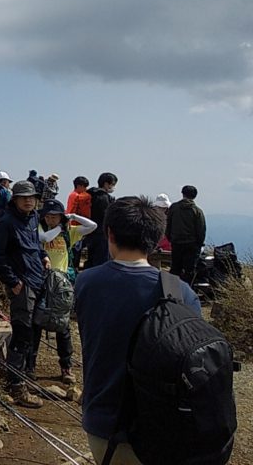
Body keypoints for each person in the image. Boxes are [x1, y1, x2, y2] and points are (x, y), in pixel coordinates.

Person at [74, 195, 200, 464]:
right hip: (165, 425)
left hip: (105, 419)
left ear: (109, 233)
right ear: (156, 240)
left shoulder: (87, 282)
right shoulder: (181, 292)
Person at [0, 180, 50, 408]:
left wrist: (43, 256)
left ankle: (25, 375)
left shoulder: (33, 218)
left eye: (31, 197)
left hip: (36, 278)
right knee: (22, 332)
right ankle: (16, 385)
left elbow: (34, 244)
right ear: (14, 199)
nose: (28, 201)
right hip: (22, 284)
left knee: (34, 329)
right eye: (23, 197)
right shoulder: (6, 222)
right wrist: (13, 281)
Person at [34, 199, 98, 384]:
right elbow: (44, 239)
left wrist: (73, 216)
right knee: (35, 323)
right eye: (48, 216)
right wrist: (61, 226)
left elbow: (92, 226)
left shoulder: (69, 233)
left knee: (63, 326)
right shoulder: (39, 230)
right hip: (41, 282)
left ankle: (66, 366)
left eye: (55, 216)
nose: (51, 219)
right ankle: (30, 365)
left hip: (61, 285)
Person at [166, 185, 206, 283]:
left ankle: (172, 289)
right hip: (191, 245)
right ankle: (187, 289)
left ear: (182, 194)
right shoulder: (197, 211)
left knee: (175, 269)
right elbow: (201, 230)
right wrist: (199, 244)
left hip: (176, 243)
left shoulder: (174, 208)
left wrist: (171, 239)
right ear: (195, 196)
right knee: (189, 270)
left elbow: (168, 225)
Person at [83, 172, 117, 269]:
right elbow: (106, 216)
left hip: (89, 233)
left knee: (90, 260)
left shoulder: (89, 194)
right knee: (101, 262)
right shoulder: (103, 197)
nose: (113, 187)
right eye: (112, 184)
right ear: (106, 184)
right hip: (101, 234)